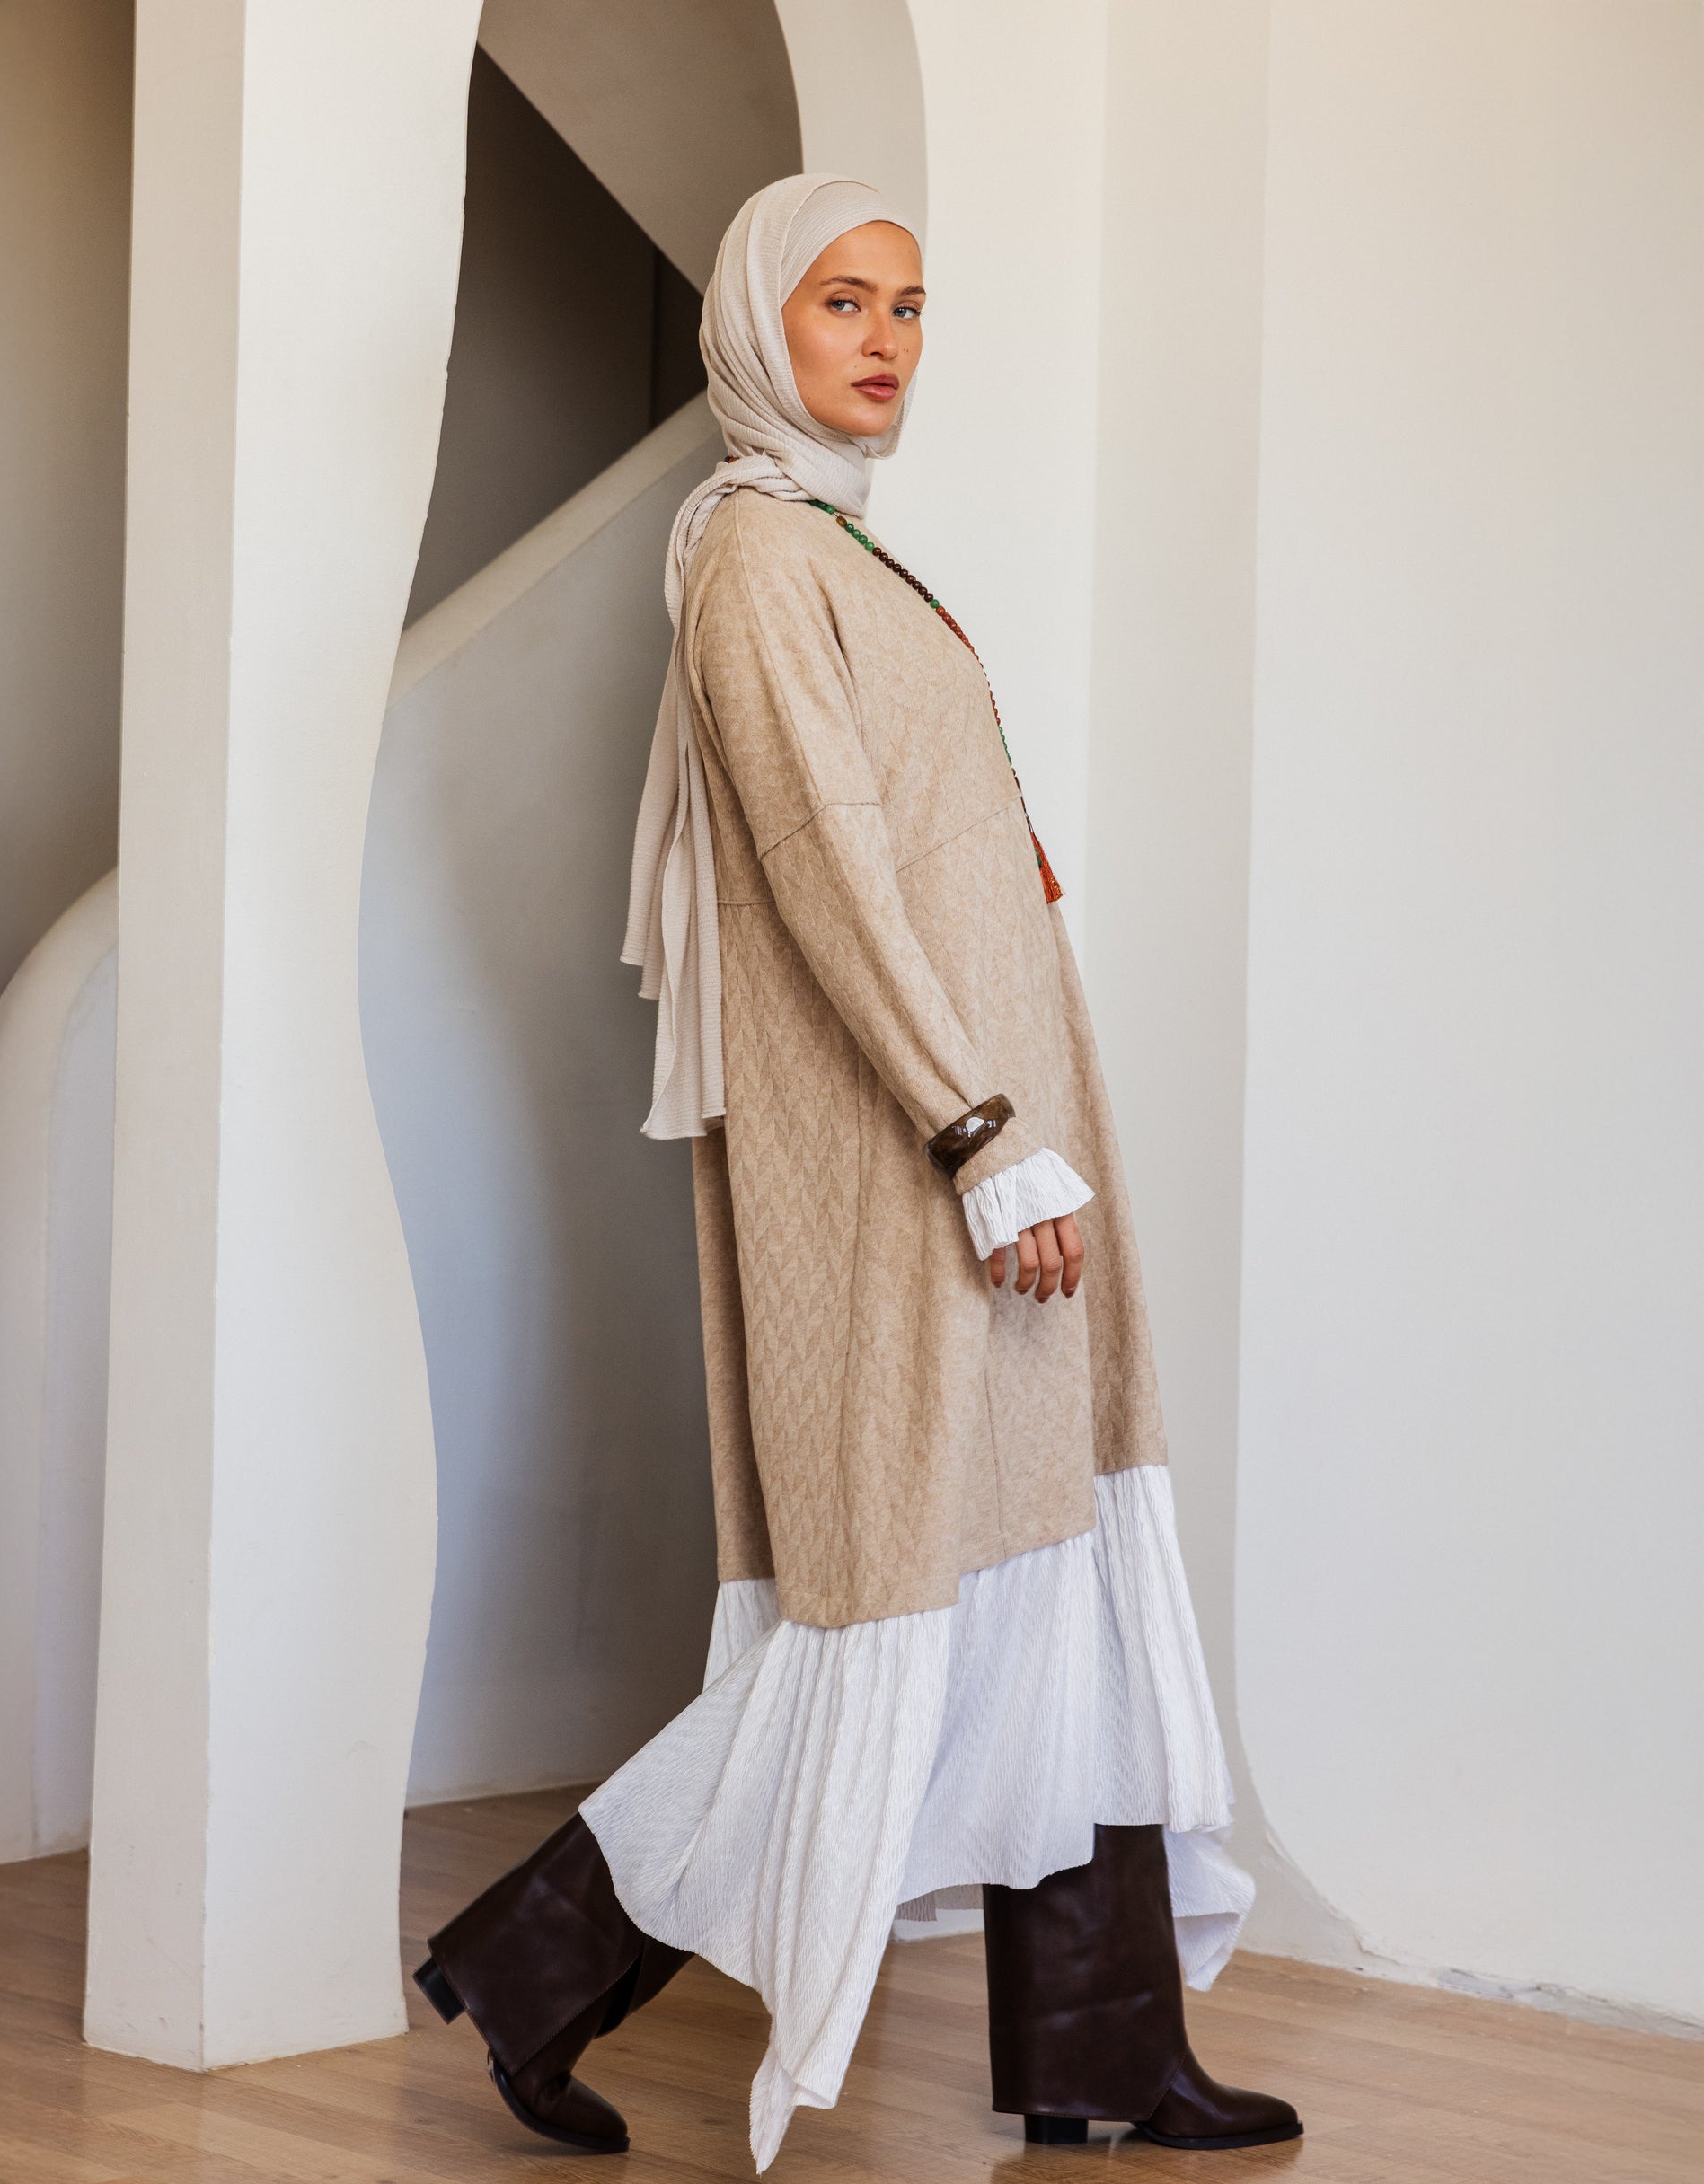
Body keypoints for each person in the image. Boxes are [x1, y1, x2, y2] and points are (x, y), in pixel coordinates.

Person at [414, 174, 1301, 2171]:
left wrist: (1022, 1122)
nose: (886, 339)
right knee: (883, 1614)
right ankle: (536, 1963)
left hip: (998, 1125)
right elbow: (824, 868)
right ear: (758, 323)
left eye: (907, 305)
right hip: (916, 1160)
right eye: (842, 301)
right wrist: (975, 1135)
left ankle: (1101, 2059)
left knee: (1051, 1578)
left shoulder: (832, 542)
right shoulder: (751, 558)